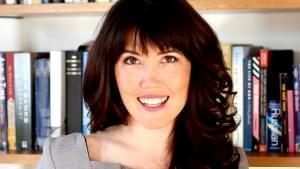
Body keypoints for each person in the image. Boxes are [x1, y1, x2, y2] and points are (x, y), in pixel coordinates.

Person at [37, 0, 249, 168]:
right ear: (111, 72)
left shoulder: (228, 160)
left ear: (195, 69)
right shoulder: (62, 159)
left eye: (168, 58)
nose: (150, 80)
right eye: (132, 60)